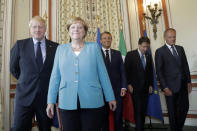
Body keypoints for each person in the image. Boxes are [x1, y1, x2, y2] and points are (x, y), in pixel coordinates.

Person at [46, 17, 116, 131]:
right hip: (67, 101)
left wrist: (110, 97)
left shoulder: (94, 47)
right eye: (73, 27)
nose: (76, 29)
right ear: (69, 30)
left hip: (92, 100)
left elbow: (103, 74)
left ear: (85, 31)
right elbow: (55, 77)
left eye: (80, 27)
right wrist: (50, 101)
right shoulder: (60, 49)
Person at [10, 16, 58, 131]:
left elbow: (57, 72)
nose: (37, 30)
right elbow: (13, 68)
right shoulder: (20, 45)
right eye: (34, 27)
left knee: (46, 128)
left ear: (45, 28)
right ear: (30, 29)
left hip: (46, 99)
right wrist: (26, 79)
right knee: (19, 128)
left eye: (40, 27)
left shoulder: (55, 47)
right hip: (24, 97)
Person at [155, 28, 192, 131]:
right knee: (172, 112)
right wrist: (165, 87)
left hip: (183, 85)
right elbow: (159, 71)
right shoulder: (160, 51)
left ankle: (178, 128)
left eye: (174, 36)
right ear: (165, 38)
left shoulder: (180, 49)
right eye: (170, 37)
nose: (173, 39)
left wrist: (188, 81)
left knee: (185, 107)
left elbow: (185, 66)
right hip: (170, 87)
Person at [124, 37, 153, 131]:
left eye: (147, 47)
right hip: (135, 88)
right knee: (138, 109)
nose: (145, 49)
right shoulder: (130, 55)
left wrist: (150, 85)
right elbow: (125, 71)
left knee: (143, 110)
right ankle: (139, 128)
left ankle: (140, 127)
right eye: (144, 47)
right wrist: (128, 84)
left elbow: (150, 72)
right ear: (139, 45)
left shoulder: (148, 55)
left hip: (146, 88)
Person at [100, 31, 127, 131]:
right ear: (100, 40)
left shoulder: (117, 53)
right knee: (104, 117)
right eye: (105, 38)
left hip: (117, 90)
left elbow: (122, 71)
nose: (107, 40)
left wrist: (124, 86)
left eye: (109, 38)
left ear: (111, 40)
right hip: (102, 92)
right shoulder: (96, 54)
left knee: (118, 116)